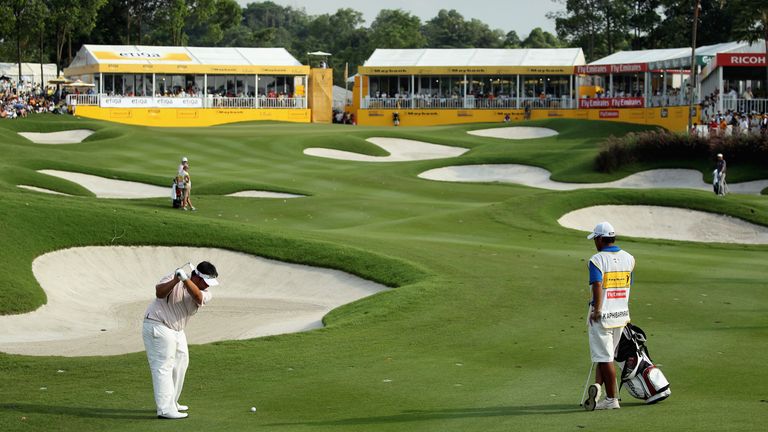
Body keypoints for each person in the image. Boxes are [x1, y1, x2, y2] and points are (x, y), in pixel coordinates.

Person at [142, 261, 219, 419]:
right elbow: (159, 293)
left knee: (180, 364)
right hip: (158, 325)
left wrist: (184, 280)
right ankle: (165, 409)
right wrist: (176, 280)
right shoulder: (173, 277)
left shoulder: (205, 293)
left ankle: (172, 402)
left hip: (177, 330)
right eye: (206, 282)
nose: (208, 286)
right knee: (163, 367)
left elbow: (197, 296)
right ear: (197, 277)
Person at [583, 222, 635, 411]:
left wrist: (597, 309)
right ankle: (598, 390)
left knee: (604, 358)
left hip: (602, 315)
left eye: (594, 239)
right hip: (621, 314)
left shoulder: (596, 260)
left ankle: (612, 399)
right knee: (605, 356)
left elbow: (597, 285)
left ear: (599, 239)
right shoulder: (629, 258)